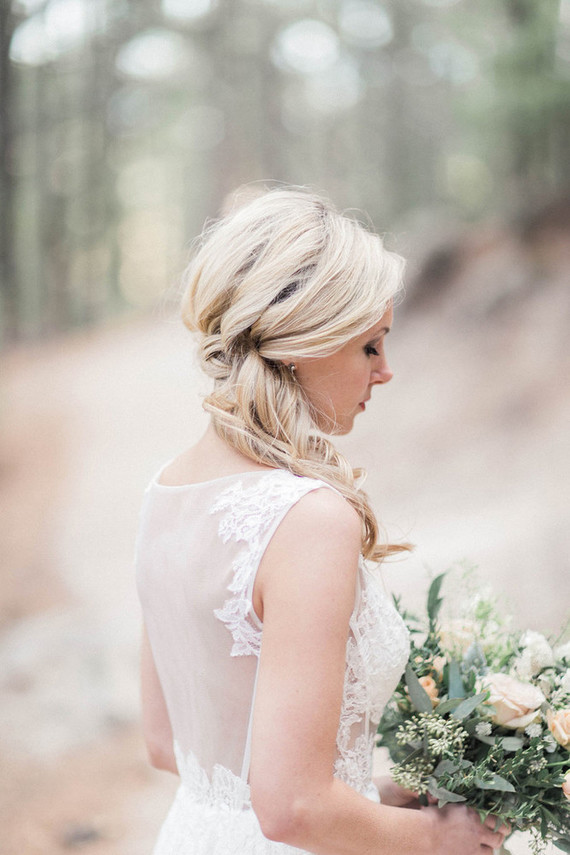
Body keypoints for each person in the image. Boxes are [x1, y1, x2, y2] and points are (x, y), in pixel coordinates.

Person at [135, 187, 509, 854]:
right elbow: (295, 807)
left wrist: (368, 795)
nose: (385, 371)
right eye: (369, 346)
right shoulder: (307, 519)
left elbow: (172, 744)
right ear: (302, 343)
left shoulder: (165, 493)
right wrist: (436, 837)